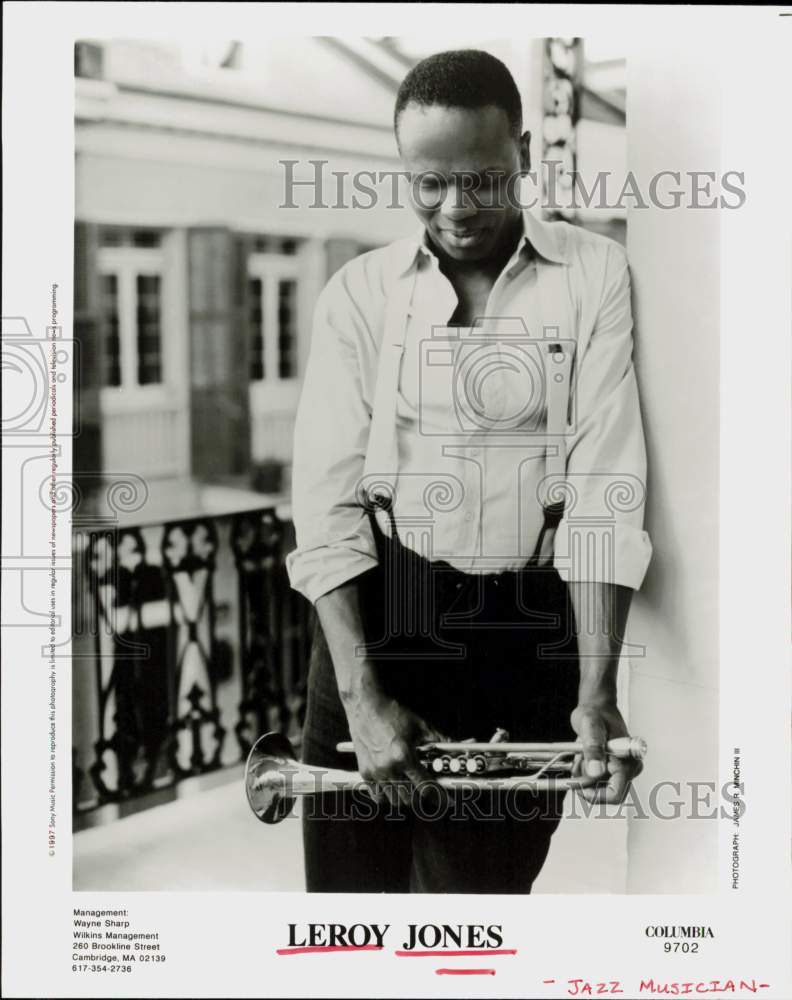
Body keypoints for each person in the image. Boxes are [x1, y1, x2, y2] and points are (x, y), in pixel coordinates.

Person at [286, 49, 652, 893]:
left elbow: (604, 486)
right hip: (379, 613)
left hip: (526, 634)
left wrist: (595, 690)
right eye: (430, 184)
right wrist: (361, 697)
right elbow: (327, 502)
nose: (458, 209)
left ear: (524, 152)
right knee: (347, 921)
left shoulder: (595, 275)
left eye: (486, 179)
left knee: (472, 922)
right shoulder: (357, 293)